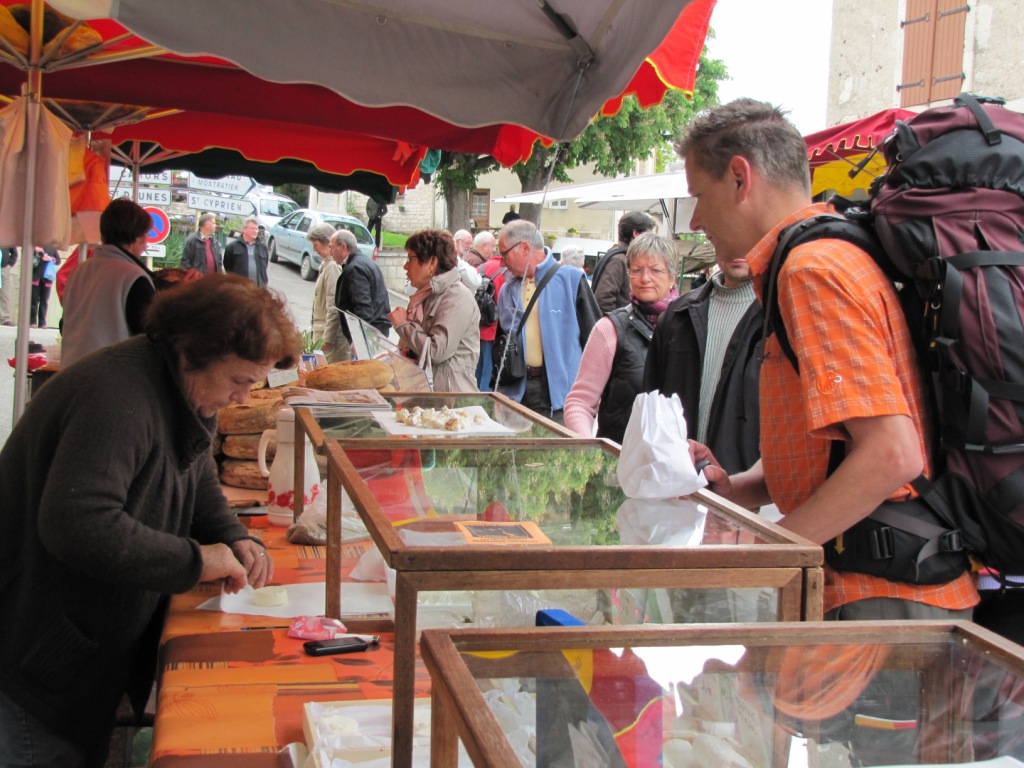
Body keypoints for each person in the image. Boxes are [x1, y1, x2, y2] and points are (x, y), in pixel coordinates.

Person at [684, 99, 977, 622]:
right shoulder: (817, 256)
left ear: (739, 178)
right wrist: (741, 487)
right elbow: (832, 447)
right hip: (876, 586)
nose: (696, 219)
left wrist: (768, 555)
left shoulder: (811, 270)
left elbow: (891, 454)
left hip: (881, 594)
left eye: (699, 196)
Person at [0, 273, 301, 768]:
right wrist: (195, 560)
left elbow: (194, 469)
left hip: (77, 654)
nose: (243, 398)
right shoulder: (115, 397)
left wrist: (229, 534)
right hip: (35, 660)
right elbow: (78, 522)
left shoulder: (178, 387)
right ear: (193, 352)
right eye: (239, 381)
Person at [643, 244, 763, 476]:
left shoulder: (781, 315)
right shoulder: (678, 315)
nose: (739, 248)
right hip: (679, 480)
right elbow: (653, 404)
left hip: (749, 484)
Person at [564, 233, 679, 443]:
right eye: (637, 270)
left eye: (655, 270)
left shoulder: (688, 325)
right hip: (619, 455)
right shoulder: (610, 328)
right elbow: (580, 403)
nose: (645, 278)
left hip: (679, 458)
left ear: (672, 277)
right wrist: (591, 449)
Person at [495, 219, 600, 424]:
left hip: (559, 397)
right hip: (514, 393)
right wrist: (498, 387)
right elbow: (501, 343)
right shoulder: (508, 289)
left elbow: (595, 340)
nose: (501, 263)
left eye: (504, 254)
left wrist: (591, 395)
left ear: (524, 248)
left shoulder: (571, 279)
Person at [61, 198, 156, 367]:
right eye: (147, 235)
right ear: (140, 238)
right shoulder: (133, 277)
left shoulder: (79, 271)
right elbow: (151, 337)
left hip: (71, 371)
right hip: (110, 375)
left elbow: (64, 325)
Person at [388, 229, 480, 391]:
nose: (405, 266)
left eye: (411, 259)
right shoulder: (426, 295)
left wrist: (403, 326)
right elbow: (417, 347)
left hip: (450, 397)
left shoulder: (457, 298)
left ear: (432, 263)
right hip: (427, 393)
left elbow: (436, 352)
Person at [324, 228, 391, 358]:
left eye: (332, 247)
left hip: (370, 334)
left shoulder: (355, 267)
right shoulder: (364, 262)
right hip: (375, 331)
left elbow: (363, 306)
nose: (330, 252)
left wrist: (360, 339)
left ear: (343, 247)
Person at [589, 210, 656, 315]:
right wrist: (616, 323)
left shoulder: (621, 256)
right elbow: (603, 299)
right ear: (636, 233)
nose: (650, 240)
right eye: (648, 235)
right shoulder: (618, 259)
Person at [306, 223, 347, 361]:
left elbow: (333, 305)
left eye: (316, 244)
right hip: (323, 334)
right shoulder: (327, 264)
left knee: (326, 371)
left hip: (329, 338)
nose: (314, 249)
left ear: (327, 243)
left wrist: (328, 339)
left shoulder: (333, 266)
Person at [476, 245, 508, 391]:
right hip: (494, 329)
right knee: (489, 374)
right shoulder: (505, 272)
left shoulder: (479, 268)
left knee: (477, 370)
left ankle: (473, 398)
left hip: (477, 327)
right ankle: (484, 402)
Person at [222, 218, 269, 287]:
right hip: (239, 288)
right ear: (244, 229)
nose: (255, 231)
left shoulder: (263, 248)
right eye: (252, 228)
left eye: (256, 229)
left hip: (259, 288)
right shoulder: (232, 247)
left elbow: (264, 266)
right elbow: (228, 267)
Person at [29, 247, 60, 328]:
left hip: (47, 279)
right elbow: (27, 258)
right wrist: (35, 251)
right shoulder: (34, 247)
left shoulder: (52, 248)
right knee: (34, 301)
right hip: (36, 277)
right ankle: (32, 321)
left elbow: (58, 260)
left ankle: (42, 323)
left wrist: (51, 258)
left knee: (44, 301)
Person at [0, 246, 16, 326]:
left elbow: (14, 253)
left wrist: (10, 264)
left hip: (3, 269)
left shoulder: (7, 240)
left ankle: (4, 319)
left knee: (4, 294)